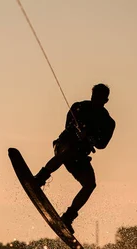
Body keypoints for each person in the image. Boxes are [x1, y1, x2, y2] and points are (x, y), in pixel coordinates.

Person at [33, 83, 116, 234]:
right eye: (94, 96)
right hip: (63, 146)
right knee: (69, 150)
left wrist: (90, 138)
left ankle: (68, 217)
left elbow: (102, 144)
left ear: (106, 100)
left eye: (99, 98)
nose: (95, 100)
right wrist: (79, 133)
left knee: (90, 184)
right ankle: (40, 177)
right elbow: (68, 125)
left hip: (80, 157)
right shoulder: (79, 107)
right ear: (91, 95)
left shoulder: (108, 122)